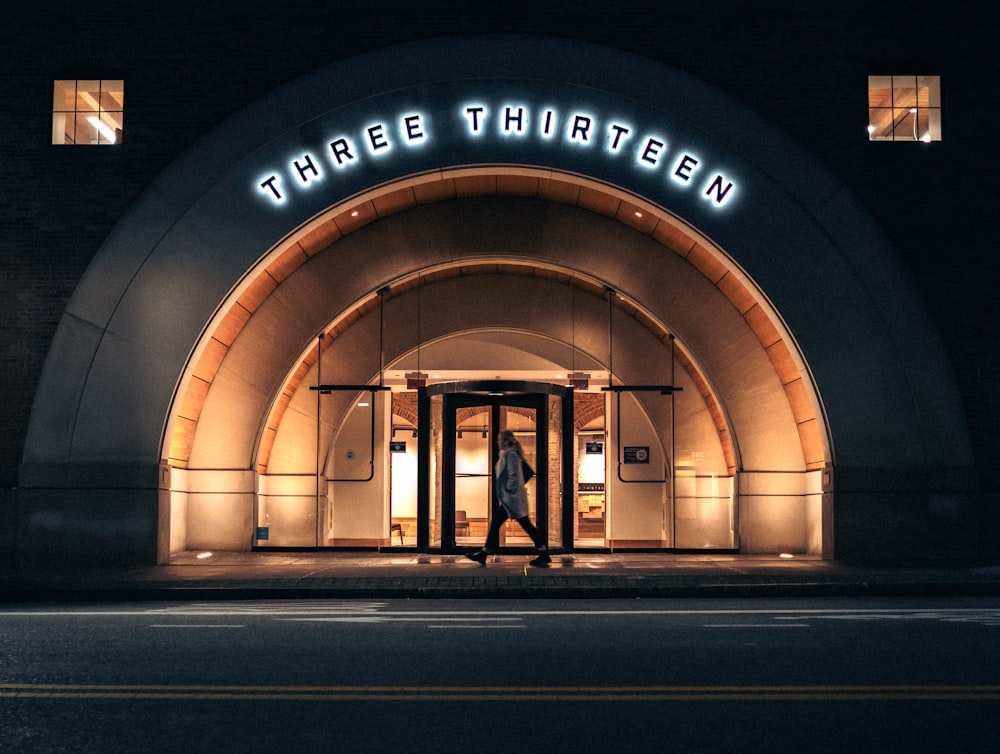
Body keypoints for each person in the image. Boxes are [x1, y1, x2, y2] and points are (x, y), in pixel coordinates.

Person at [465, 430, 551, 567]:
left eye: (499, 440)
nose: (497, 442)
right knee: (506, 524)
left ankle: (484, 553)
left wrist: (508, 490)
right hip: (509, 498)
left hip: (511, 498)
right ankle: (485, 552)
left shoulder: (511, 455)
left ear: (505, 441)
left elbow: (514, 475)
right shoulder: (506, 454)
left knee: (521, 525)